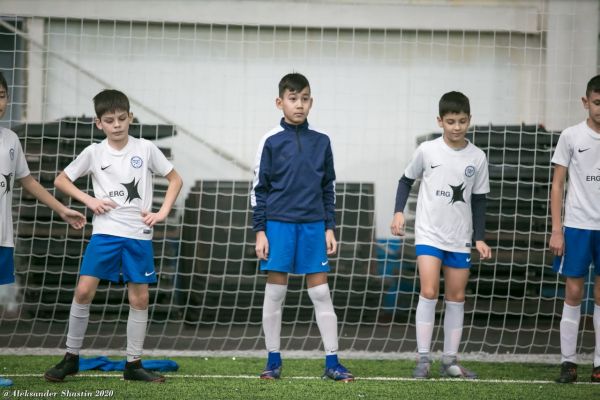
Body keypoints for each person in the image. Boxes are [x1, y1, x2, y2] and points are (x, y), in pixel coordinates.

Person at [44, 89, 182, 383]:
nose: (117, 124)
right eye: (109, 120)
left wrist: (162, 212)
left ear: (130, 117)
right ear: (99, 123)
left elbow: (175, 179)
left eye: (121, 118)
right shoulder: (94, 152)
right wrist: (89, 201)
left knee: (140, 298)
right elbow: (61, 180)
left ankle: (133, 364)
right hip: (105, 233)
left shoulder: (145, 148)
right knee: (83, 291)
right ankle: (71, 358)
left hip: (138, 234)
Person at [251, 72, 353, 382]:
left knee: (321, 293)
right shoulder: (270, 141)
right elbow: (259, 189)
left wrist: (329, 227)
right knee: (275, 293)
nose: (299, 104)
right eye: (293, 99)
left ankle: (332, 362)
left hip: (313, 226)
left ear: (311, 102)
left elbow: (328, 187)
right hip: (278, 226)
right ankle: (273, 361)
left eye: (304, 99)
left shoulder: (322, 141)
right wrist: (260, 231)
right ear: (279, 102)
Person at [390, 91, 491, 379]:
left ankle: (449, 361)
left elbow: (480, 200)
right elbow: (405, 180)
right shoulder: (427, 150)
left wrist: (479, 237)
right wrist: (398, 212)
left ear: (469, 120)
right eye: (450, 121)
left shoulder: (478, 157)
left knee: (456, 297)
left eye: (462, 121)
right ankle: (423, 359)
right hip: (429, 235)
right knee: (429, 291)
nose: (456, 127)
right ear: (440, 121)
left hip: (460, 238)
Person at [0, 71, 86, 387]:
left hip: (2, 237)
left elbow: (29, 182)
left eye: (1, 96)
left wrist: (61, 209)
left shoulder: (11, 140)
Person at [549, 74, 600, 384]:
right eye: (597, 102)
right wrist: (557, 229)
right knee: (573, 292)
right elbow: (557, 184)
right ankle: (568, 362)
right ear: (586, 102)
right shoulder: (571, 136)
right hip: (577, 226)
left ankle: (599, 363)